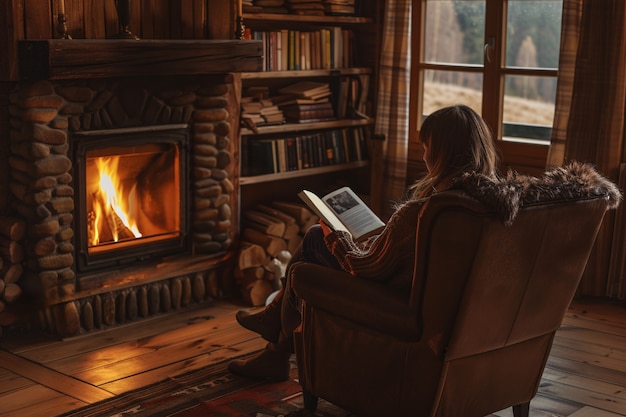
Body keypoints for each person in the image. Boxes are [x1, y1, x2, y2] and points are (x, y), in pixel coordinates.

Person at [228, 104, 500, 381]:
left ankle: (275, 347)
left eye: (426, 146)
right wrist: (386, 238)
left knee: (313, 237)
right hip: (439, 299)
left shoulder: (426, 210)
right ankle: (274, 332)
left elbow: (368, 268)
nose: (424, 154)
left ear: (442, 152)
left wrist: (334, 232)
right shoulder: (491, 204)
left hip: (396, 294)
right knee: (317, 239)